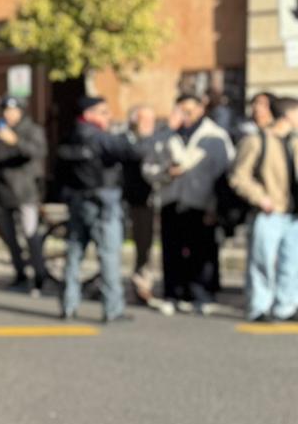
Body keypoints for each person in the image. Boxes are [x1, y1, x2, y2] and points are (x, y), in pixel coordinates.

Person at [52, 95, 141, 322]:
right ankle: (113, 308)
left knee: (74, 253)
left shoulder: (69, 137)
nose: (108, 117)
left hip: (77, 202)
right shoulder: (99, 138)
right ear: (89, 114)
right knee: (109, 254)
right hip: (103, 202)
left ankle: (68, 305)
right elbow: (133, 152)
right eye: (103, 112)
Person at [160, 92, 232, 315]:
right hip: (172, 199)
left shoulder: (214, 136)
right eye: (181, 111)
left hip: (201, 202)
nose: (185, 116)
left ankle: (201, 294)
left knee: (202, 251)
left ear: (201, 109)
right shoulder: (168, 134)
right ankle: (174, 294)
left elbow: (220, 173)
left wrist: (214, 206)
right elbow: (151, 164)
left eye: (189, 111)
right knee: (172, 250)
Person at [228, 96, 298, 322]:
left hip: (293, 213)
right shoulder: (256, 140)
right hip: (269, 211)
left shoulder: (295, 142)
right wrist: (261, 198)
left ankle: (286, 306)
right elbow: (239, 176)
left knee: (292, 263)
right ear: (287, 116)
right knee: (262, 262)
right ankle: (260, 306)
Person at [0, 96, 47, 293]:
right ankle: (19, 273)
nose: (8, 114)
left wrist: (15, 141)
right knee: (9, 236)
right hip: (4, 191)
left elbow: (38, 152)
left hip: (25, 191)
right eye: (5, 110)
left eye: (12, 110)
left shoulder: (31, 130)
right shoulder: (1, 131)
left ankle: (39, 276)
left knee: (31, 234)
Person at [122, 106, 168, 307]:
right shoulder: (129, 140)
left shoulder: (158, 140)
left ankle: (143, 284)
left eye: (152, 120)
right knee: (141, 245)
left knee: (148, 246)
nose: (149, 125)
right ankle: (139, 285)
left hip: (154, 200)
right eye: (144, 121)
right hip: (135, 201)